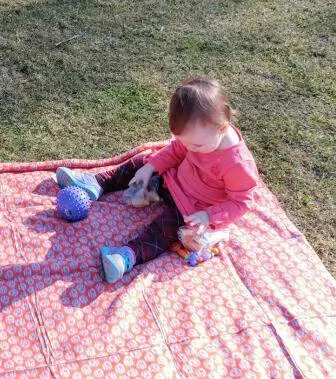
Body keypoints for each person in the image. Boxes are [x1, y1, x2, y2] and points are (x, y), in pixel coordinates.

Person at [56, 77, 261, 282]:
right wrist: (150, 167)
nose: (190, 148)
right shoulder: (199, 137)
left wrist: (208, 216)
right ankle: (96, 184)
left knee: (164, 229)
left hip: (192, 209)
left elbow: (241, 201)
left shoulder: (237, 164)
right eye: (184, 142)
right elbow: (175, 151)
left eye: (196, 146)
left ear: (222, 128)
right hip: (172, 181)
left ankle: (126, 256)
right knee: (142, 161)